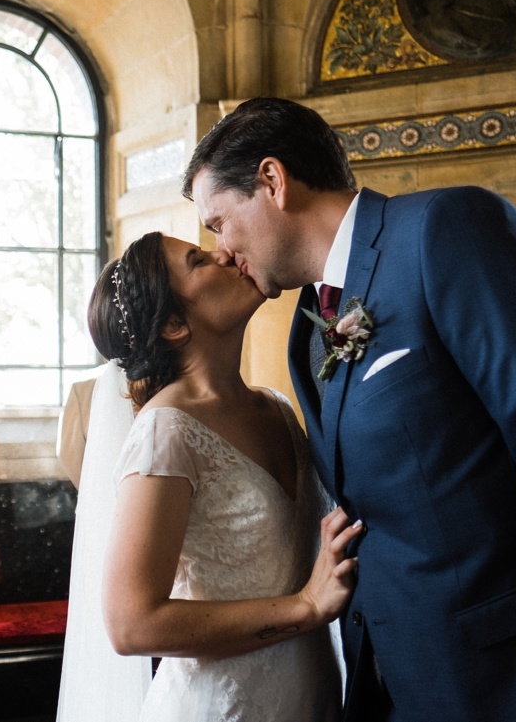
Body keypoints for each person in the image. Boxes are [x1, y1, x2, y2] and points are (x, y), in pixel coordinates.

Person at [183, 96, 516, 721]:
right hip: (392, 686)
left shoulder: (446, 230)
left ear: (272, 180)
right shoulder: (307, 328)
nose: (219, 250)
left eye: (217, 222)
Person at [88, 231, 363, 722]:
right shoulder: (164, 431)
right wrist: (304, 607)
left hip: (313, 698)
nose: (224, 253)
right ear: (174, 324)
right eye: (198, 260)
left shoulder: (276, 407)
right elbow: (131, 625)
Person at [56, 361, 153, 722]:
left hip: (107, 518)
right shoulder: (86, 390)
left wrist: (106, 504)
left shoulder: (84, 389)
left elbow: (67, 453)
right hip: (111, 519)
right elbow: (71, 455)